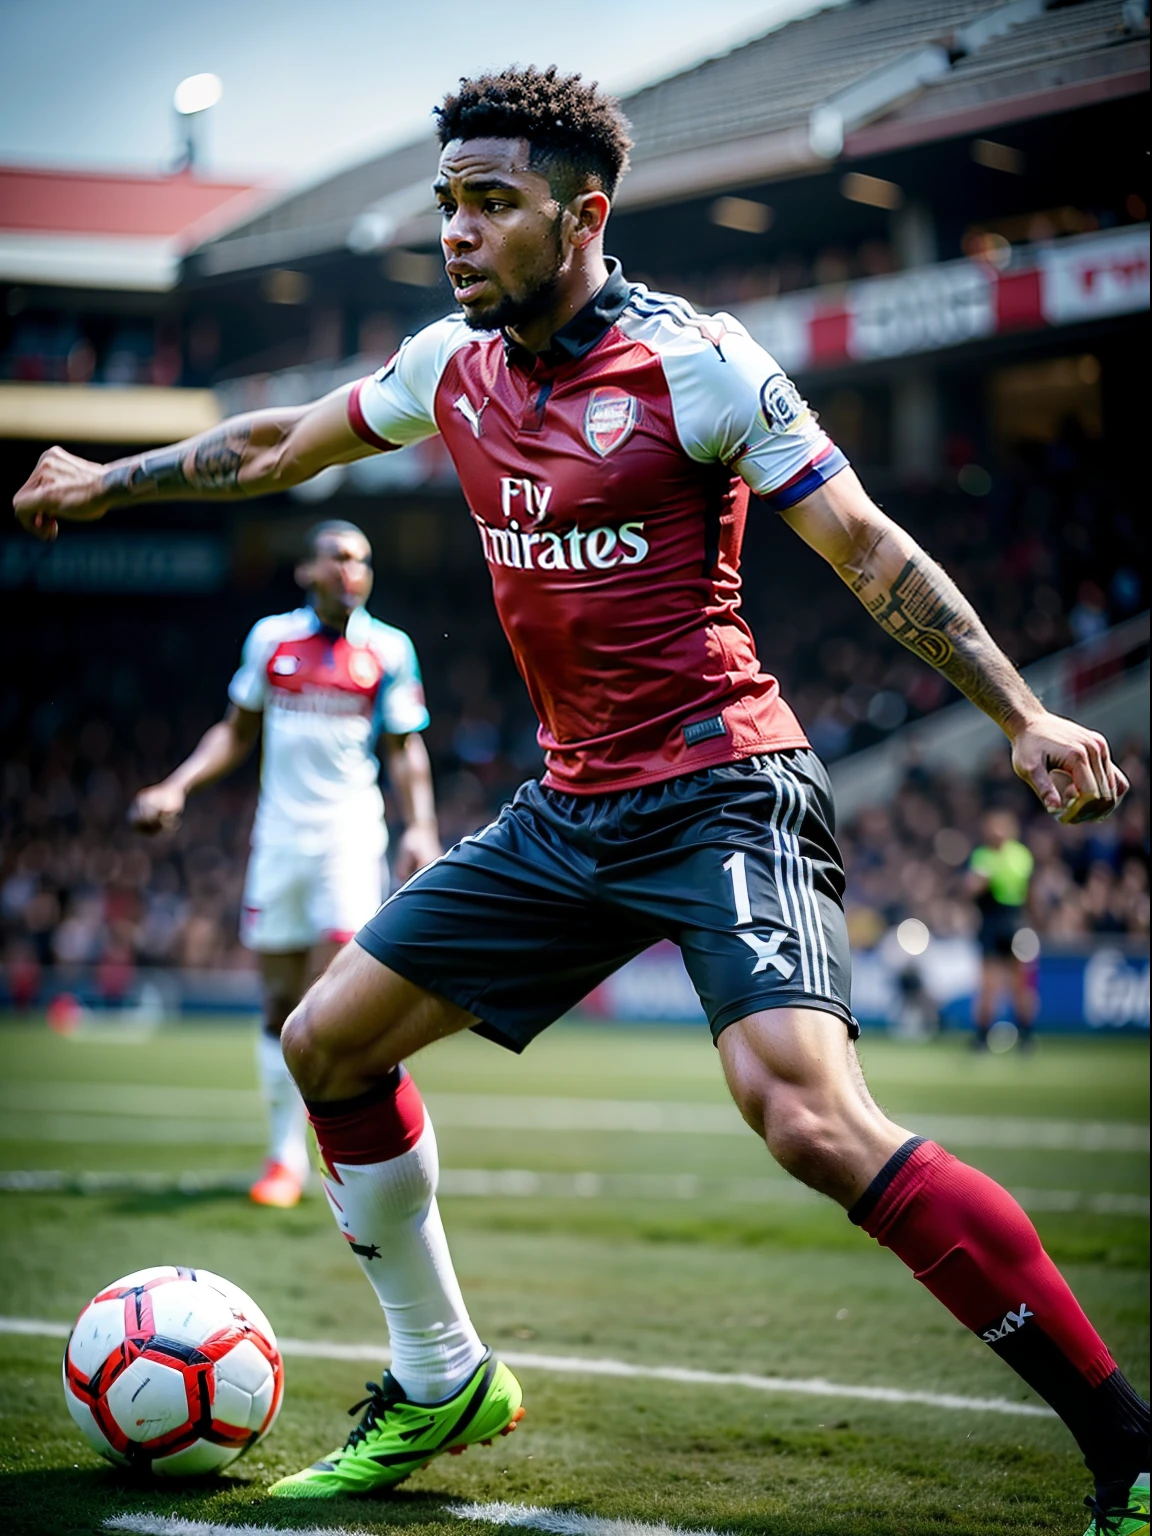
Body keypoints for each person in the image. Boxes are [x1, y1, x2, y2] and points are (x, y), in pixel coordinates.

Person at [14, 65, 1147, 1535]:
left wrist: (1023, 709)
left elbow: (868, 552)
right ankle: (443, 1378)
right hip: (569, 805)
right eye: (448, 208)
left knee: (805, 1118)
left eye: (494, 207)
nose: (459, 236)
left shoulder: (702, 365)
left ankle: (1126, 1443)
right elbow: (277, 443)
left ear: (584, 215)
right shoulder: (450, 369)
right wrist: (109, 484)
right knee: (327, 1044)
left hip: (724, 786)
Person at [128, 519, 440, 1208]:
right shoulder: (271, 641)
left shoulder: (388, 650)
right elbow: (234, 733)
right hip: (279, 841)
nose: (352, 570)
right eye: (338, 558)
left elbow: (404, 748)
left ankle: (346, 1156)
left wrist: (419, 828)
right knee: (276, 1003)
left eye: (362, 559)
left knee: (332, 1004)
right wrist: (176, 786)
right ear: (308, 570)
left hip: (350, 840)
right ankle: (282, 1159)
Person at [968, 808, 1037, 1050]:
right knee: (988, 985)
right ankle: (982, 1037)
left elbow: (1024, 891)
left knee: (1020, 984)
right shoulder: (982, 854)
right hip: (993, 923)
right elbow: (971, 889)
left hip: (1013, 922)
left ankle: (1026, 1037)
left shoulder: (1017, 856)